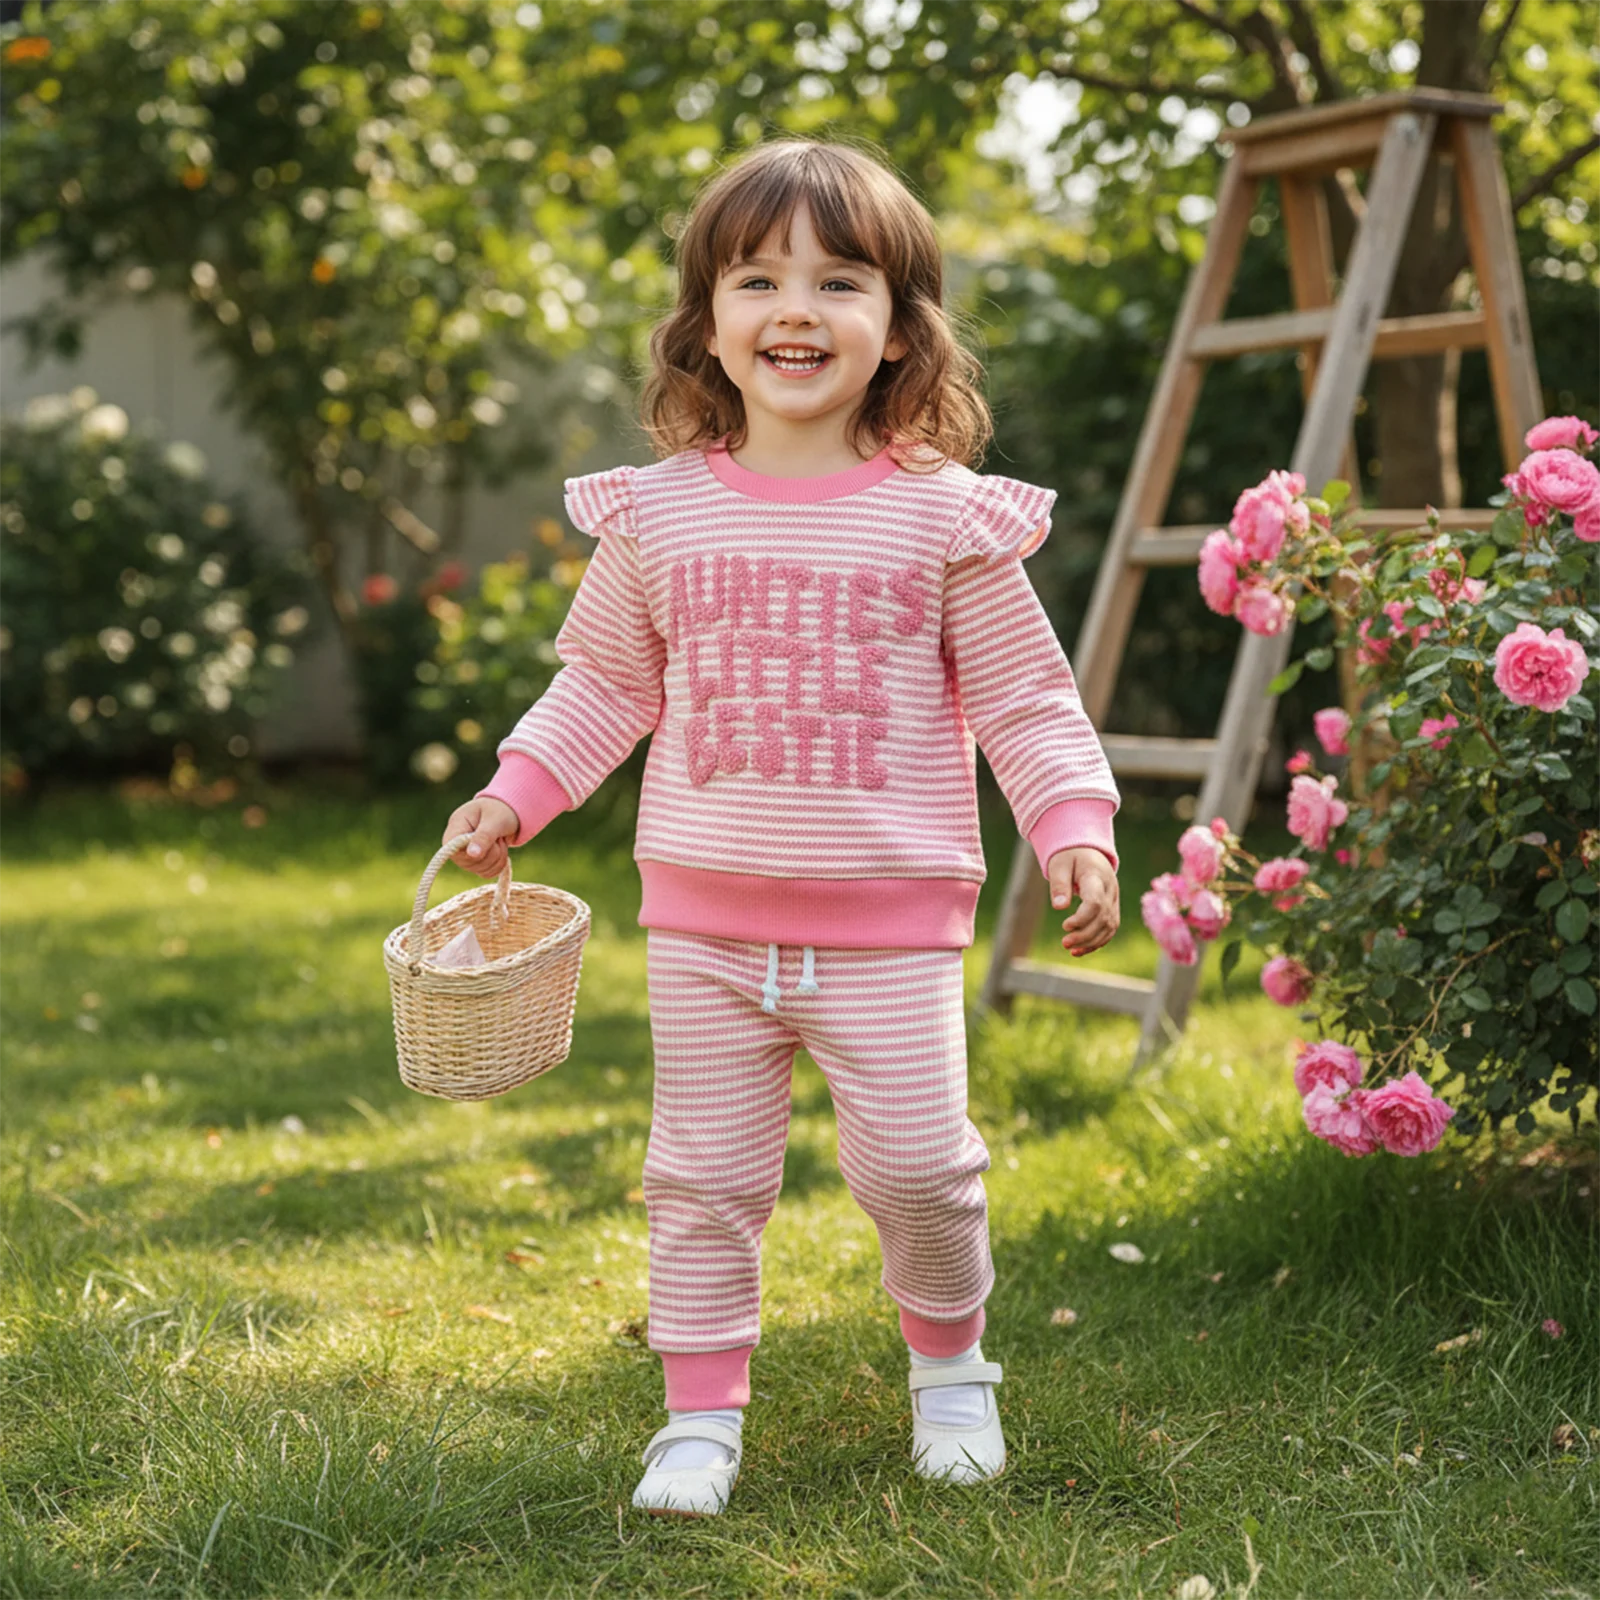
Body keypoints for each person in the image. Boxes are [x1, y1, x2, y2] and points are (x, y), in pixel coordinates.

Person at [441, 137, 1121, 1517]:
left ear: (898, 328)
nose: (795, 309)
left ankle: (953, 1373)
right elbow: (607, 682)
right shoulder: (658, 513)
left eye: (839, 280)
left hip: (890, 932)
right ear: (706, 321)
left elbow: (1026, 700)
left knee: (925, 1172)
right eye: (757, 278)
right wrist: (520, 789)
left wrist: (1075, 825)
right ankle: (698, 1419)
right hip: (703, 929)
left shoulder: (945, 520)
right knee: (698, 1179)